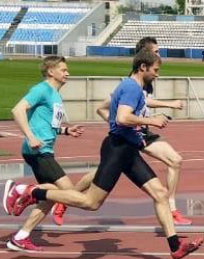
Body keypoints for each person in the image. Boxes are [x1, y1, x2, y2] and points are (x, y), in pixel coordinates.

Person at [8, 50, 203, 259]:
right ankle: (32, 192)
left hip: (128, 149)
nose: (157, 74)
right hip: (118, 149)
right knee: (90, 202)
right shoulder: (131, 88)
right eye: (155, 70)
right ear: (143, 67)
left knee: (160, 193)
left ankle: (175, 246)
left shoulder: (132, 87)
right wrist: (151, 120)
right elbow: (122, 118)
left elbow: (113, 114)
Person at [68, 36, 192, 226]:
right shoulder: (133, 82)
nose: (159, 54)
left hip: (141, 132)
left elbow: (139, 103)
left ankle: (172, 209)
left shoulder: (147, 79)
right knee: (172, 161)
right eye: (156, 51)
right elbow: (111, 106)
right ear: (145, 56)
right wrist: (167, 105)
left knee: (108, 170)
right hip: (134, 134)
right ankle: (65, 198)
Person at [0, 55, 85, 252]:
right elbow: (17, 110)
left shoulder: (56, 95)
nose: (67, 73)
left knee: (50, 197)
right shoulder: (42, 90)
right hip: (37, 151)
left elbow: (49, 124)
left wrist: (65, 130)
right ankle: (21, 190)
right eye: (63, 70)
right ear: (51, 71)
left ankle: (21, 237)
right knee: (68, 191)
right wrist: (30, 136)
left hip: (45, 150)